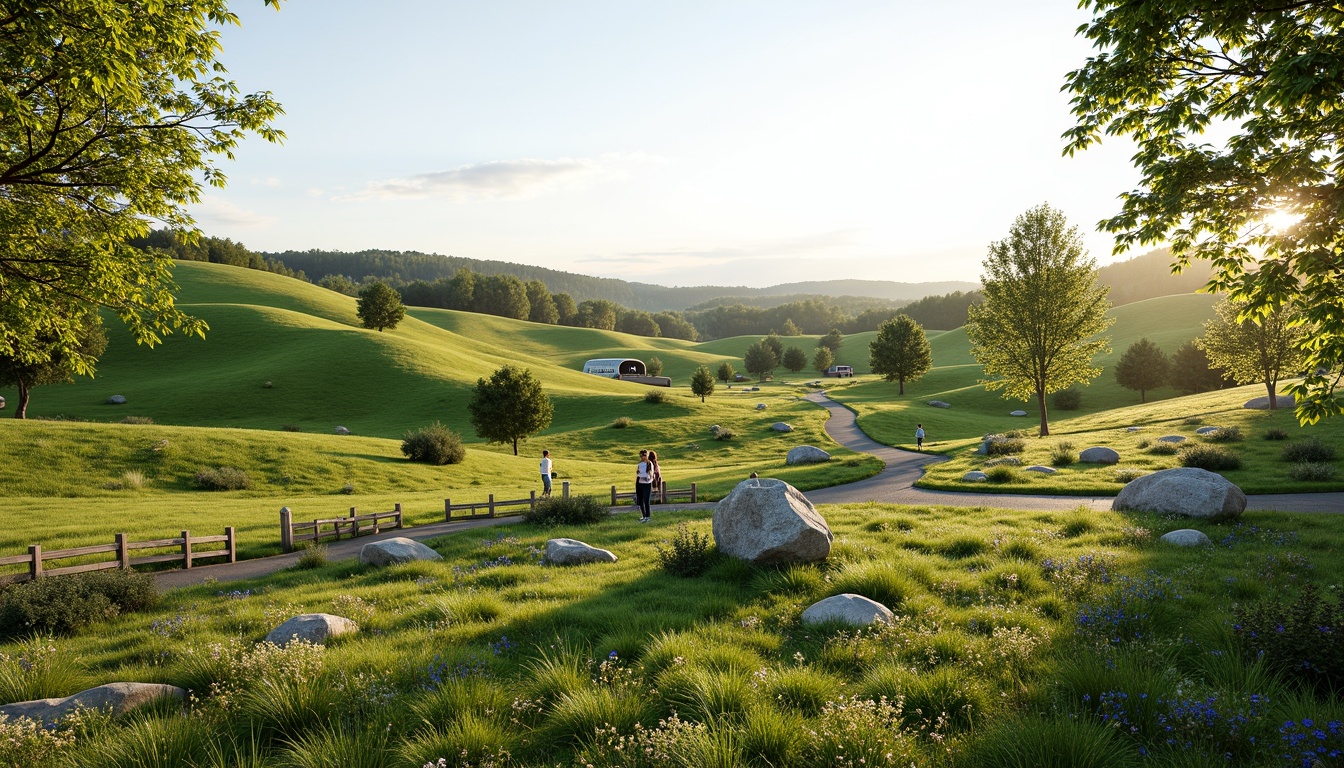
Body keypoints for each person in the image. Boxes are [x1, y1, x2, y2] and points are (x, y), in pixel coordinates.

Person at [635, 449, 653, 522]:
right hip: (640, 482)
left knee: (646, 500)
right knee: (640, 500)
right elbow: (638, 473)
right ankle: (644, 515)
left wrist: (648, 478)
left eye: (644, 455)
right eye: (641, 455)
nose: (643, 457)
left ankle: (648, 516)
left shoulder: (649, 463)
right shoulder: (640, 464)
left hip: (647, 483)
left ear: (647, 455)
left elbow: (651, 474)